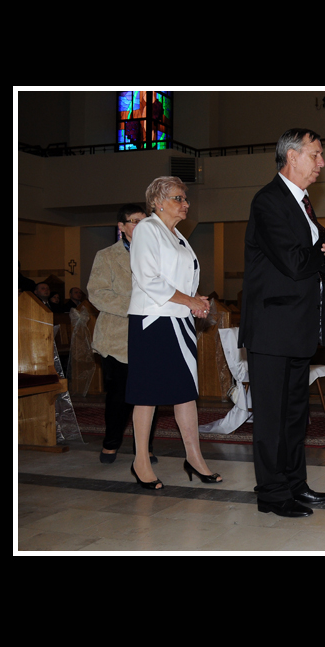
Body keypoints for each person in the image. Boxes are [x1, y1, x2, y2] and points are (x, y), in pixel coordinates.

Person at [239, 129, 325, 518]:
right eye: (316, 154)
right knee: (271, 417)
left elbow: (313, 261)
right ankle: (272, 493)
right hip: (272, 328)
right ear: (292, 156)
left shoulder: (303, 203)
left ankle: (295, 484)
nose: (321, 163)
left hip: (297, 328)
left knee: (296, 415)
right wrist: (324, 251)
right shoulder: (269, 200)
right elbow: (295, 262)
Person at [125, 176, 221, 490]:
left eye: (185, 198)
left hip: (179, 320)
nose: (185, 204)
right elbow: (148, 278)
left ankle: (194, 458)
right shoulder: (147, 229)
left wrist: (196, 301)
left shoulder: (178, 235)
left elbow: (182, 279)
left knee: (185, 392)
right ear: (158, 202)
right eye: (178, 198)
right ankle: (140, 461)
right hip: (153, 321)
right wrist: (189, 300)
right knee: (147, 394)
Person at [88, 204, 159, 464]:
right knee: (119, 396)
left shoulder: (157, 254)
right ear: (121, 226)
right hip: (117, 337)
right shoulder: (107, 256)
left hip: (151, 334)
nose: (140, 226)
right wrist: (136, 306)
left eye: (144, 221)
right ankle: (111, 443)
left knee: (150, 395)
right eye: (134, 221)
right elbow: (97, 293)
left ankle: (145, 448)